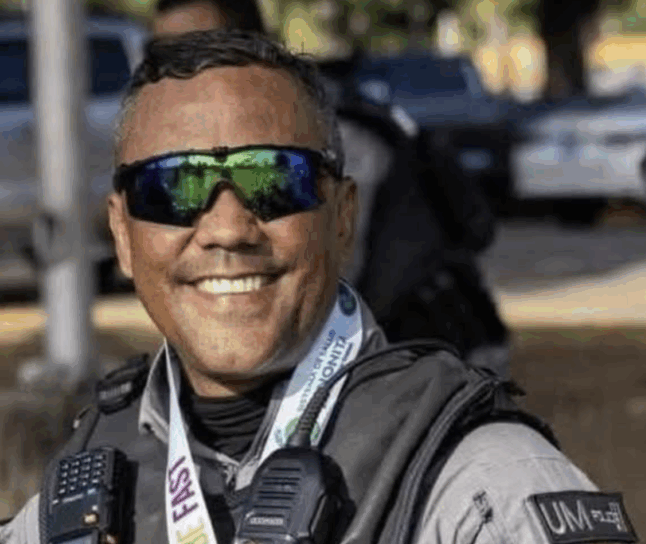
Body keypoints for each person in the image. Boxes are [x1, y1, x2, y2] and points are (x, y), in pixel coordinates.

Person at [0, 30, 646, 544]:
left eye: (274, 181)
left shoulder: (481, 493)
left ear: (343, 215)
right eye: (174, 186)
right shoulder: (77, 500)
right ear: (124, 234)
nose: (227, 228)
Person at [152, 0, 510, 379]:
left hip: (429, 358)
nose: (178, 67)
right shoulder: (225, 137)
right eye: (161, 52)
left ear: (253, 44)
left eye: (200, 45)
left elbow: (320, 294)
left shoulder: (322, 130)